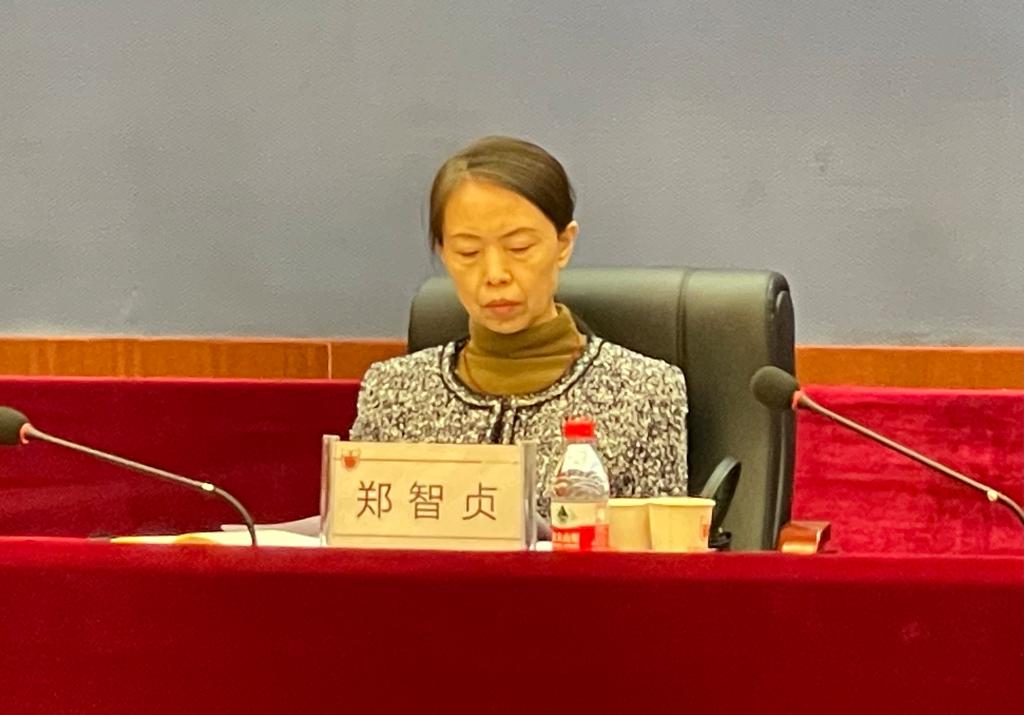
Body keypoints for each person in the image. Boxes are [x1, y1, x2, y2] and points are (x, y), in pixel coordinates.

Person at [349, 136, 687, 519]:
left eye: (520, 247)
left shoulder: (643, 392)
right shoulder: (393, 393)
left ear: (563, 244)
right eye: (468, 252)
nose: (495, 274)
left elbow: (658, 550)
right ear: (444, 254)